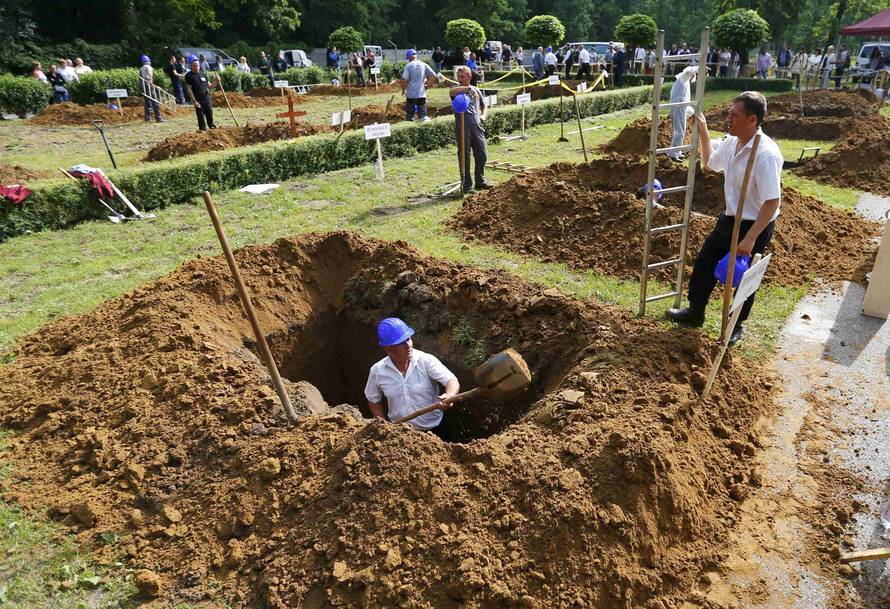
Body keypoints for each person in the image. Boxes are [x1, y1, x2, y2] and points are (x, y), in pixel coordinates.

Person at [667, 92, 782, 347]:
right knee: (705, 261)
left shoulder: (765, 154)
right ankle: (695, 311)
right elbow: (710, 163)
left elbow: (772, 201)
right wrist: (704, 130)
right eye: (729, 113)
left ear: (752, 119)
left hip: (756, 223)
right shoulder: (732, 143)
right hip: (731, 217)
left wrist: (750, 238)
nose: (728, 118)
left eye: (734, 115)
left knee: (744, 276)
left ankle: (734, 325)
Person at [364, 318, 459, 436]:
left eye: (408, 339)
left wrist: (450, 395)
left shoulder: (426, 361)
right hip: (400, 434)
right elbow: (373, 399)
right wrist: (382, 424)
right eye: (401, 342)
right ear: (388, 348)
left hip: (434, 432)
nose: (408, 345)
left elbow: (451, 380)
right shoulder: (377, 371)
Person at [450, 65, 492, 194]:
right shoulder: (456, 90)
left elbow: (484, 105)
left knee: (482, 155)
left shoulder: (476, 90)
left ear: (470, 76)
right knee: (464, 156)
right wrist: (467, 88)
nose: (460, 79)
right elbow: (452, 92)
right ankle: (467, 185)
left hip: (477, 127)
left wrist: (483, 115)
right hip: (463, 127)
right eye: (459, 77)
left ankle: (480, 181)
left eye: (463, 77)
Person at [667, 66, 698, 161]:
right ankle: (673, 154)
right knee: (680, 131)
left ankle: (676, 151)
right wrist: (701, 67)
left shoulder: (685, 83)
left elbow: (686, 102)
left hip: (680, 107)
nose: (692, 77)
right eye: (693, 75)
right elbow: (688, 71)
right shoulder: (683, 79)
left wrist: (692, 113)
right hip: (678, 107)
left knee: (678, 131)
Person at [400, 49, 437, 121]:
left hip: (411, 95)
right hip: (421, 94)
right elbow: (434, 76)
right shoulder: (424, 64)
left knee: (410, 116)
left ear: (409, 57)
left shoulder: (408, 66)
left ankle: (410, 125)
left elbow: (404, 80)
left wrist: (403, 90)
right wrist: (427, 86)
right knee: (423, 117)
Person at [184, 54, 217, 131]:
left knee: (209, 113)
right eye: (194, 66)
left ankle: (212, 127)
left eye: (198, 66)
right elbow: (189, 89)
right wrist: (194, 101)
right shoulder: (189, 76)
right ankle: (202, 130)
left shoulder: (203, 74)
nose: (197, 67)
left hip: (206, 97)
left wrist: (216, 81)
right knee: (201, 116)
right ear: (191, 66)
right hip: (198, 99)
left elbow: (210, 86)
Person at [139, 55, 163, 123]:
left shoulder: (141, 68)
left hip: (143, 85)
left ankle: (147, 118)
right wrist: (152, 85)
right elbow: (150, 75)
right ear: (148, 61)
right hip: (148, 83)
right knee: (154, 100)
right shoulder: (149, 67)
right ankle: (158, 118)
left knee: (147, 102)